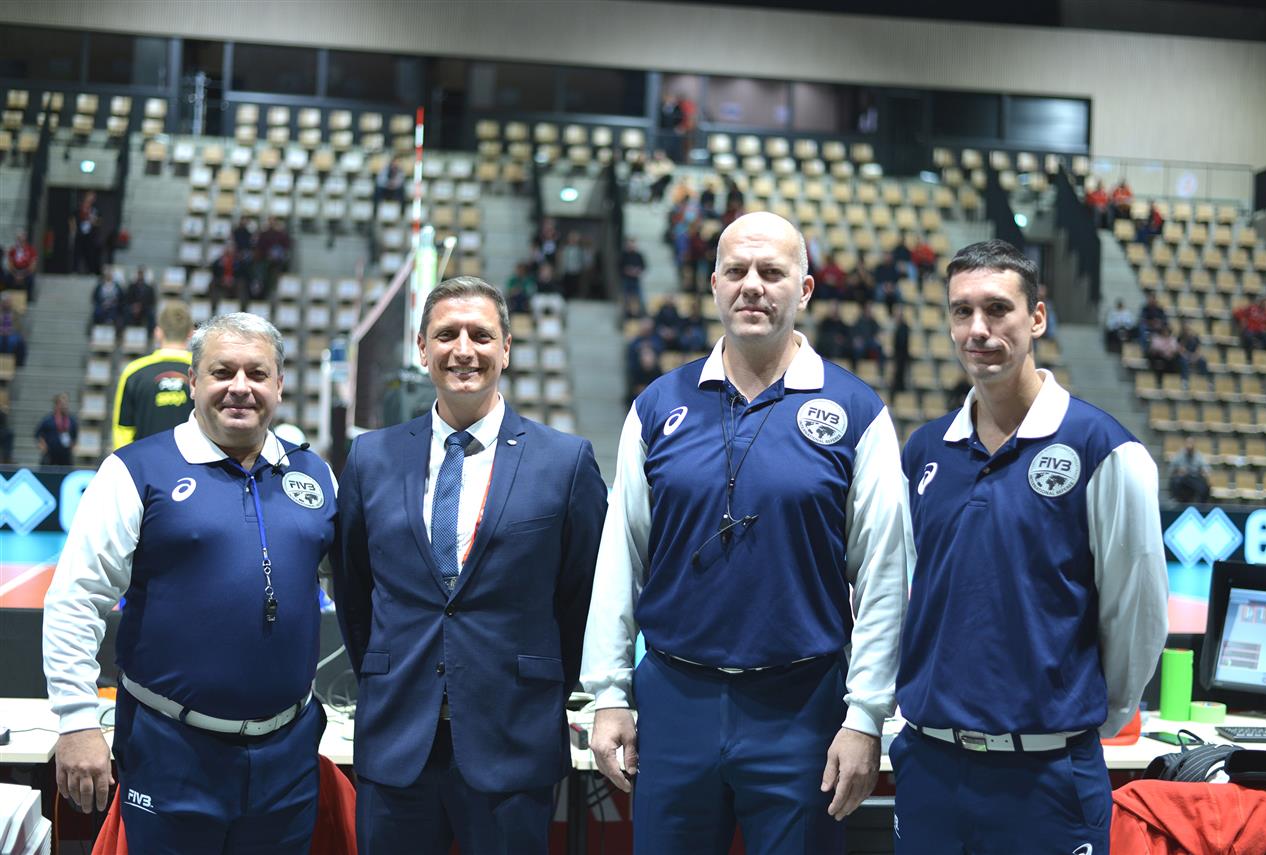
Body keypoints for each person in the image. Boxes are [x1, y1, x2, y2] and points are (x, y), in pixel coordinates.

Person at [581, 211, 910, 854]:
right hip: (675, 699)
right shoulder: (657, 407)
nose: (752, 285)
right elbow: (621, 558)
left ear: (804, 289)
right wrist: (609, 694)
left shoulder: (857, 413)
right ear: (714, 285)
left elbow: (884, 577)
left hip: (802, 706)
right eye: (736, 270)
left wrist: (866, 716)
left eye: (771, 272)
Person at [894, 239, 1167, 854]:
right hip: (930, 768)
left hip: (1047, 776)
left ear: (1037, 317)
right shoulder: (924, 450)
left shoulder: (1106, 450)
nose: (978, 329)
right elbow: (907, 597)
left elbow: (1136, 612)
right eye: (962, 311)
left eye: (998, 309)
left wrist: (1083, 717)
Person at [331, 276, 607, 854]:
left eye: (480, 335)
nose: (464, 350)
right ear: (422, 347)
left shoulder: (565, 462)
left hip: (512, 737)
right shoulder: (370, 457)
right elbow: (354, 590)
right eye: (446, 334)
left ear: (506, 348)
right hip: (398, 737)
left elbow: (581, 596)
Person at [43, 312, 336, 852]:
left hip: (288, 755)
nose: (240, 387)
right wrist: (76, 720)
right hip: (170, 749)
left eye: (257, 373)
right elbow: (76, 599)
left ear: (279, 385)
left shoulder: (314, 474)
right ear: (193, 382)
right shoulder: (135, 470)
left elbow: (355, 588)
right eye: (222, 372)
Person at [112, 300, 195, 449]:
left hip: (144, 462)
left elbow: (123, 430)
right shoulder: (203, 370)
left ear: (158, 332)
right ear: (191, 333)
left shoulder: (133, 372)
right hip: (194, 462)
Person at [35, 392, 77, 465]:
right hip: (50, 456)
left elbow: (75, 436)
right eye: (62, 403)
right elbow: (38, 434)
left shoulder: (72, 420)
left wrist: (72, 446)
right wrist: (43, 446)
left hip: (66, 457)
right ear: (56, 405)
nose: (65, 406)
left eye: (66, 403)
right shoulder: (48, 420)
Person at [1169, 436, 1211, 503]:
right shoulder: (1179, 454)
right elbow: (1171, 468)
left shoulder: (1199, 455)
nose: (1189, 446)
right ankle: (1175, 501)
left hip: (1195, 478)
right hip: (1182, 478)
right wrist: (1177, 471)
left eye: (1191, 443)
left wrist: (1203, 472)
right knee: (1175, 480)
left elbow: (1206, 468)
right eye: (1188, 443)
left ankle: (1202, 505)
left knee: (1205, 486)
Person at [7, 228, 37, 302]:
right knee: (6, 277)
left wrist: (22, 275)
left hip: (26, 271)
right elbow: (10, 264)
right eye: (18, 239)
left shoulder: (31, 250)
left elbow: (32, 266)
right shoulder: (12, 250)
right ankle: (7, 298)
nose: (20, 241)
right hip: (15, 270)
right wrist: (16, 274)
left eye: (22, 239)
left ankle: (29, 299)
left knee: (31, 279)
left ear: (25, 239)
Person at [123, 266, 157, 331]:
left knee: (151, 313)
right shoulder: (131, 286)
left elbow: (152, 300)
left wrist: (141, 306)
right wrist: (134, 306)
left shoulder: (149, 287)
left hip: (144, 307)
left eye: (142, 274)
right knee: (126, 311)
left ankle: (150, 332)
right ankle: (126, 331)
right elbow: (128, 298)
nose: (140, 275)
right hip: (133, 307)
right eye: (139, 274)